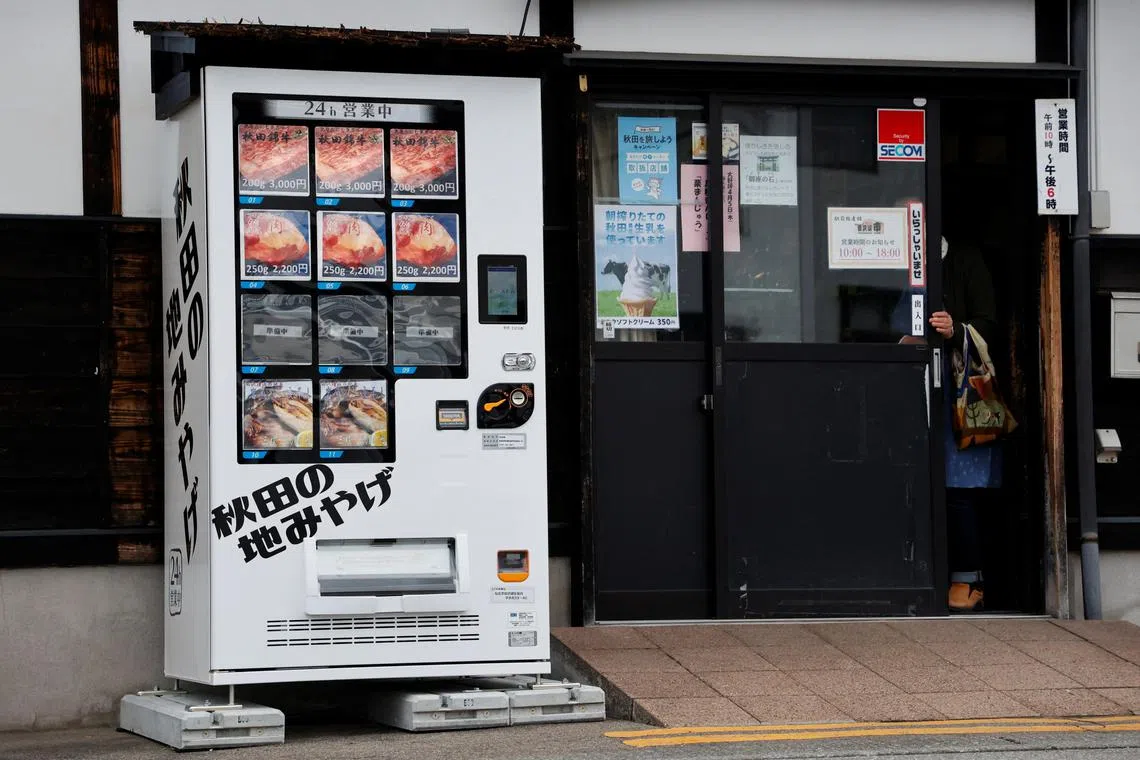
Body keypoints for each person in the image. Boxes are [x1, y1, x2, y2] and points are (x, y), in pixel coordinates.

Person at [897, 235, 1002, 612]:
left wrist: (954, 329)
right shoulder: (895, 260)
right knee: (907, 482)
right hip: (905, 386)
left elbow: (989, 323)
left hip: (959, 390)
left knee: (958, 489)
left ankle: (968, 578)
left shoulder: (965, 258)